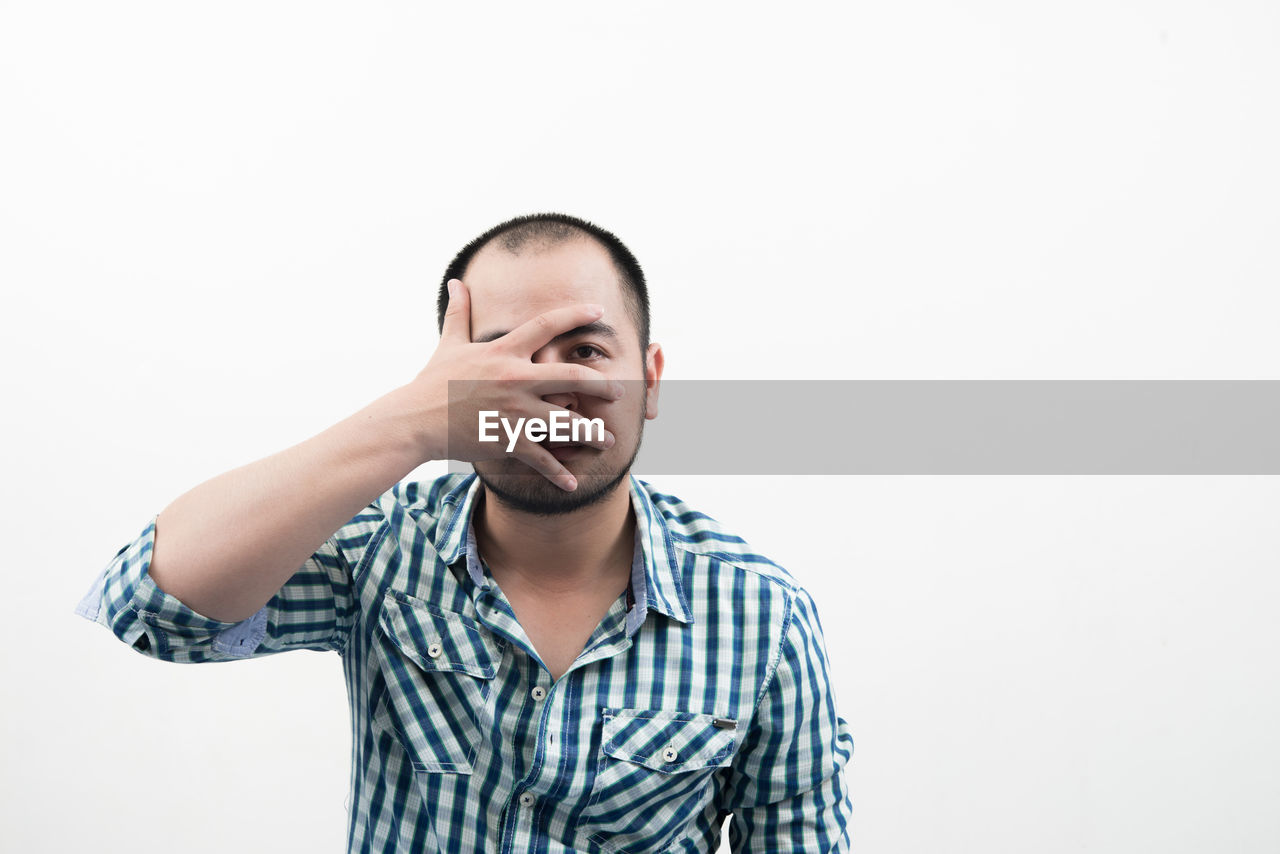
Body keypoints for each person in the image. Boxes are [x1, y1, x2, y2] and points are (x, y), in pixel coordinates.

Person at [74, 212, 855, 852]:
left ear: (649, 382)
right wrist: (411, 423)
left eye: (585, 354)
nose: (544, 394)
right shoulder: (385, 547)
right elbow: (150, 609)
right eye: (498, 364)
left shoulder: (761, 613)